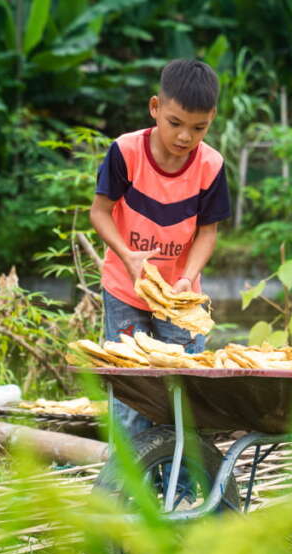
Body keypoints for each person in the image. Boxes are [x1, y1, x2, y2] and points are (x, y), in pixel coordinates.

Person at [90, 59, 231, 438]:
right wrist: (127, 255)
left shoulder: (211, 165)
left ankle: (179, 477)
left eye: (199, 128)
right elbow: (100, 212)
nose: (185, 137)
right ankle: (130, 474)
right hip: (125, 289)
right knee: (131, 395)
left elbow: (207, 232)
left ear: (212, 119)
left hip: (179, 296)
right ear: (155, 108)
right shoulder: (126, 152)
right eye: (175, 123)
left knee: (181, 393)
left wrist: (188, 277)